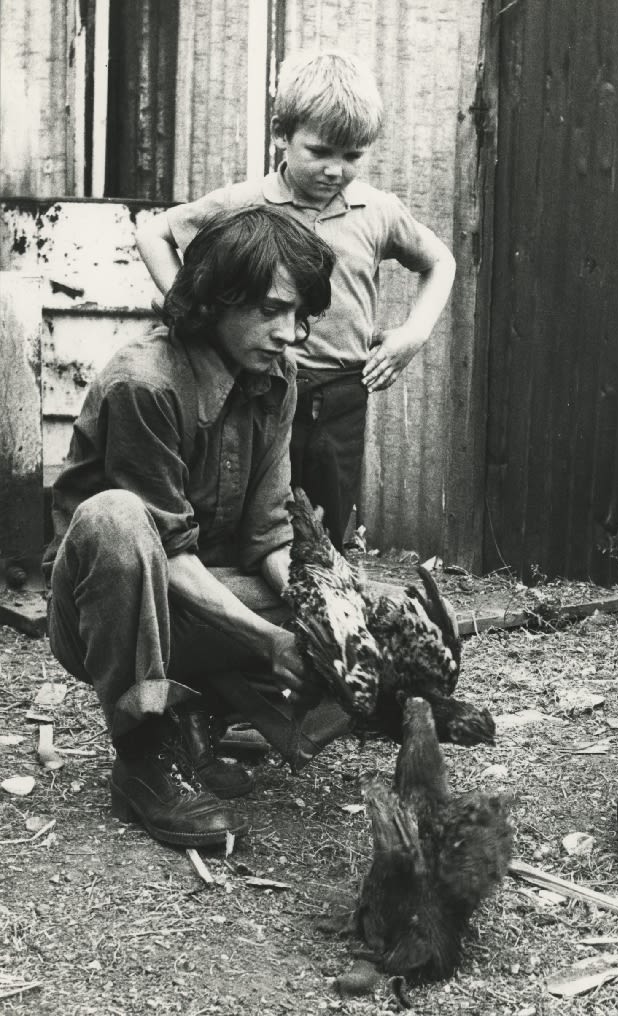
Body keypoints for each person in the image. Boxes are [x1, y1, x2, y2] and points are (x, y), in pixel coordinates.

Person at [44, 206, 346, 848]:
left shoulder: (276, 378)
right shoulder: (144, 384)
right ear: (214, 300)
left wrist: (334, 619)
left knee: (339, 602)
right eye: (271, 310)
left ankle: (205, 719)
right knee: (116, 518)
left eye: (299, 316)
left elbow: (269, 535)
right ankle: (144, 756)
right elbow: (168, 553)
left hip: (200, 598)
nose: (289, 333)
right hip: (106, 611)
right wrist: (271, 642)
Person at [136, 48, 456, 550]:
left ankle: (323, 609)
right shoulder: (246, 203)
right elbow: (155, 233)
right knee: (251, 516)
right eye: (321, 151)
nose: (336, 169)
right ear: (282, 134)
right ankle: (242, 610)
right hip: (258, 388)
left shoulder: (377, 211)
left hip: (343, 393)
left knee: (327, 519)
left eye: (352, 156)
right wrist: (193, 313)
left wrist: (413, 335)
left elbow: (441, 262)